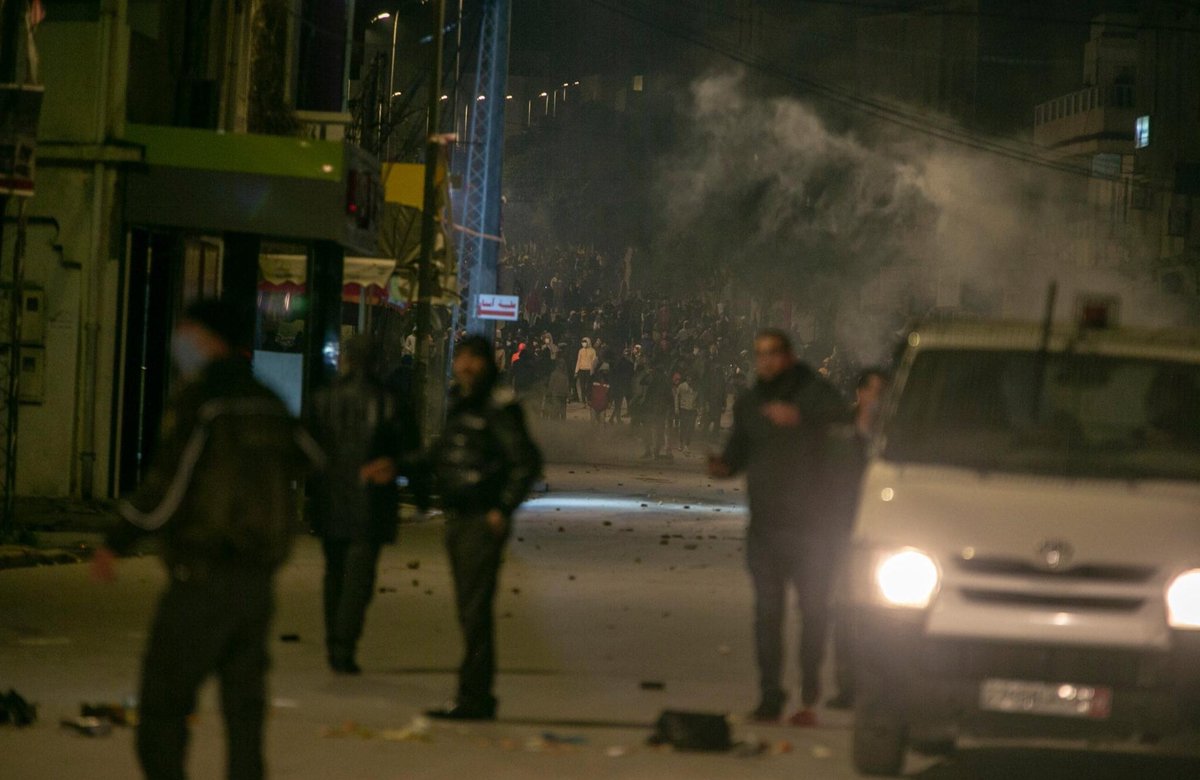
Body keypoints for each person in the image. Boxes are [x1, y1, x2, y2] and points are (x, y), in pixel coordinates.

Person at [91, 298, 323, 780]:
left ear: (206, 336)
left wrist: (117, 537)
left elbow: (168, 488)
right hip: (257, 579)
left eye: (188, 330)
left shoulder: (202, 402)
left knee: (164, 701)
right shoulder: (267, 400)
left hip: (203, 574)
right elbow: (312, 454)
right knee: (244, 707)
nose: (183, 340)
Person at [706, 328, 848, 728]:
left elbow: (843, 430)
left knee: (814, 611)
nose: (765, 361)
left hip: (812, 529)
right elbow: (738, 450)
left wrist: (801, 420)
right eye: (759, 354)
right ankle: (770, 694)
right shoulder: (751, 403)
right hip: (766, 528)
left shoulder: (815, 393)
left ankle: (809, 682)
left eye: (772, 353)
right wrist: (723, 466)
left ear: (787, 355)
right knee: (767, 614)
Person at [426, 335, 543, 720]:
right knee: (468, 609)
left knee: (475, 610)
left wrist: (501, 508)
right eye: (461, 357)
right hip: (460, 517)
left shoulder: (498, 406)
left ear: (486, 363)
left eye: (474, 358)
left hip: (481, 520)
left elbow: (526, 462)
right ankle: (474, 694)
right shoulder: (463, 403)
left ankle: (475, 697)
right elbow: (446, 454)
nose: (466, 365)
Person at [307, 335, 419, 675]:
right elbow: (411, 451)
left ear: (345, 359)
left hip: (331, 499)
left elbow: (308, 448)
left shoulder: (323, 398)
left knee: (335, 573)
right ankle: (343, 644)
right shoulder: (391, 400)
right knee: (358, 578)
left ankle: (334, 641)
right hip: (372, 502)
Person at [824, 367, 888, 711]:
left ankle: (880, 686)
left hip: (885, 535)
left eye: (884, 393)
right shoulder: (841, 430)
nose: (878, 401)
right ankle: (847, 686)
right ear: (861, 393)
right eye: (874, 392)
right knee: (847, 611)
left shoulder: (897, 434)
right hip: (844, 532)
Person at [574, 336, 597, 405]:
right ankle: (583, 400)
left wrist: (592, 371)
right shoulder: (580, 351)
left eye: (585, 342)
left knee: (589, 386)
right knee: (582, 386)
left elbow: (594, 361)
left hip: (589, 370)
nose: (584, 344)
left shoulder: (593, 351)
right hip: (581, 370)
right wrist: (576, 371)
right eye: (582, 342)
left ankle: (589, 399)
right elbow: (578, 361)